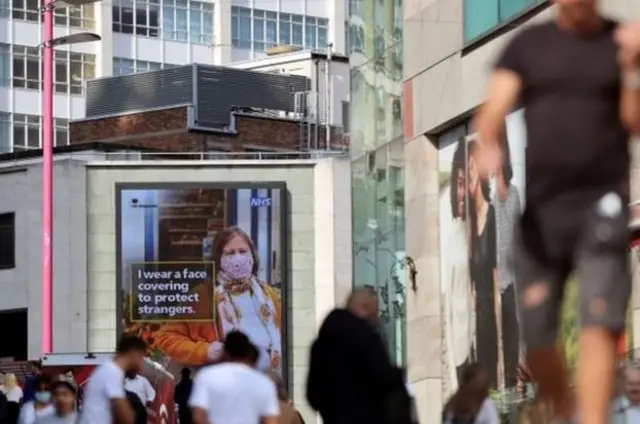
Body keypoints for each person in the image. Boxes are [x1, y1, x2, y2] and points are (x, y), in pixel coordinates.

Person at [473, 0, 640, 421]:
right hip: (545, 214)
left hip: (603, 202)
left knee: (599, 323)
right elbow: (493, 110)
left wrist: (632, 69)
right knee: (539, 334)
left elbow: (633, 120)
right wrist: (488, 145)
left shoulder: (618, 43)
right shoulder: (528, 46)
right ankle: (561, 404)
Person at [154, 227, 282, 373]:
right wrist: (204, 351)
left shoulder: (269, 296)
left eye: (243, 251)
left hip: (264, 382)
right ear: (218, 258)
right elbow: (166, 337)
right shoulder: (202, 296)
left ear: (252, 255)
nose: (238, 258)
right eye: (230, 253)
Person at [306, 288, 411, 424]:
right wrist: (399, 374)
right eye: (375, 311)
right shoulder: (366, 338)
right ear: (365, 307)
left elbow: (312, 395)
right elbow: (383, 378)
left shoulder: (321, 345)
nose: (377, 317)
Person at [188, 330, 280, 424]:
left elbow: (198, 416)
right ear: (247, 352)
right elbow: (271, 420)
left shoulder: (206, 376)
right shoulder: (263, 382)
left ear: (224, 352)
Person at [443, 138, 475, 391]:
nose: (462, 193)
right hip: (463, 353)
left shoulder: (491, 229)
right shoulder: (453, 237)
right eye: (459, 183)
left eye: (469, 183)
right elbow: (447, 308)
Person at [467, 139, 500, 388]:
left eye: (472, 167)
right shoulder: (465, 224)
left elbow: (497, 276)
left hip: (489, 316)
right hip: (471, 320)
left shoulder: (493, 216)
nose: (468, 175)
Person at [493, 130, 521, 389]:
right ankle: (509, 384)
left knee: (517, 338)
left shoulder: (513, 195)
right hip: (499, 282)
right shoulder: (491, 199)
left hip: (515, 278)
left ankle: (521, 384)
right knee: (504, 339)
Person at [79, 335, 147, 424]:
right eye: (141, 358)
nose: (141, 364)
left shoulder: (108, 369)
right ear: (134, 354)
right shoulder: (112, 372)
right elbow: (126, 418)